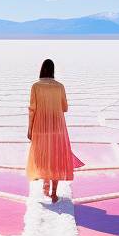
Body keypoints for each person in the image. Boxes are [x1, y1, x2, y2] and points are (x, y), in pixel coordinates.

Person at [26, 58, 83, 201]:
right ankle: (54, 193)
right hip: (57, 127)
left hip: (40, 126)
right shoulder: (59, 86)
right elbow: (65, 108)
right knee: (55, 157)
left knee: (43, 156)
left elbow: (32, 109)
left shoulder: (35, 87)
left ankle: (45, 181)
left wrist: (29, 129)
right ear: (53, 70)